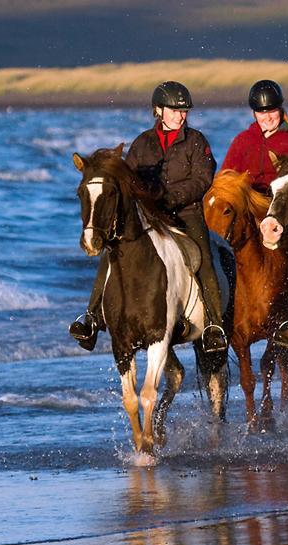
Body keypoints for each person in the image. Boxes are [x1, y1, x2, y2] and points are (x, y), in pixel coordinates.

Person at [69, 81, 230, 355]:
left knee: (203, 258)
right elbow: (127, 179)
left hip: (186, 214)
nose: (181, 116)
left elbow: (203, 179)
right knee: (112, 253)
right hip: (149, 217)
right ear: (159, 110)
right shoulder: (142, 144)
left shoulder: (196, 141)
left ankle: (214, 327)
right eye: (175, 110)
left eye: (184, 111)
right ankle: (92, 317)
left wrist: (168, 197)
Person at [221, 79, 288, 192]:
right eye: (262, 113)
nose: (268, 118)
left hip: (284, 200)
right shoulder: (242, 140)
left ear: (280, 110)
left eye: (272, 111)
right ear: (254, 114)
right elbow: (225, 177)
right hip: (249, 202)